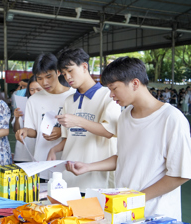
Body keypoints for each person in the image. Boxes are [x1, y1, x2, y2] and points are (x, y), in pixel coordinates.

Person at [66, 57, 191, 220]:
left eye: (114, 88)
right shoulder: (125, 116)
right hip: (123, 212)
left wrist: (137, 199)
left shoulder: (171, 118)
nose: (111, 95)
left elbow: (180, 174)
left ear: (135, 83)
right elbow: (124, 158)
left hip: (156, 215)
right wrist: (88, 167)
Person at [47, 48, 121, 191]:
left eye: (70, 71)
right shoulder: (69, 101)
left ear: (84, 67)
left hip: (96, 178)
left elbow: (109, 131)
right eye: (64, 73)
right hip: (69, 176)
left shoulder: (108, 96)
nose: (67, 77)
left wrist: (78, 121)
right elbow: (69, 137)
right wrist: (54, 149)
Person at [15, 53, 75, 179]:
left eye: (48, 76)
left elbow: (80, 130)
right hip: (41, 162)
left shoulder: (73, 96)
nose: (44, 82)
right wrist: (25, 131)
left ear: (58, 72)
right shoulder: (33, 100)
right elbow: (35, 131)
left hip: (68, 164)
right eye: (39, 78)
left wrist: (61, 131)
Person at [12, 75, 42, 163]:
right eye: (32, 90)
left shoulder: (48, 105)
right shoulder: (23, 104)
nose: (35, 92)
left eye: (38, 89)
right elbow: (16, 130)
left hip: (39, 154)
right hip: (22, 153)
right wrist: (17, 118)